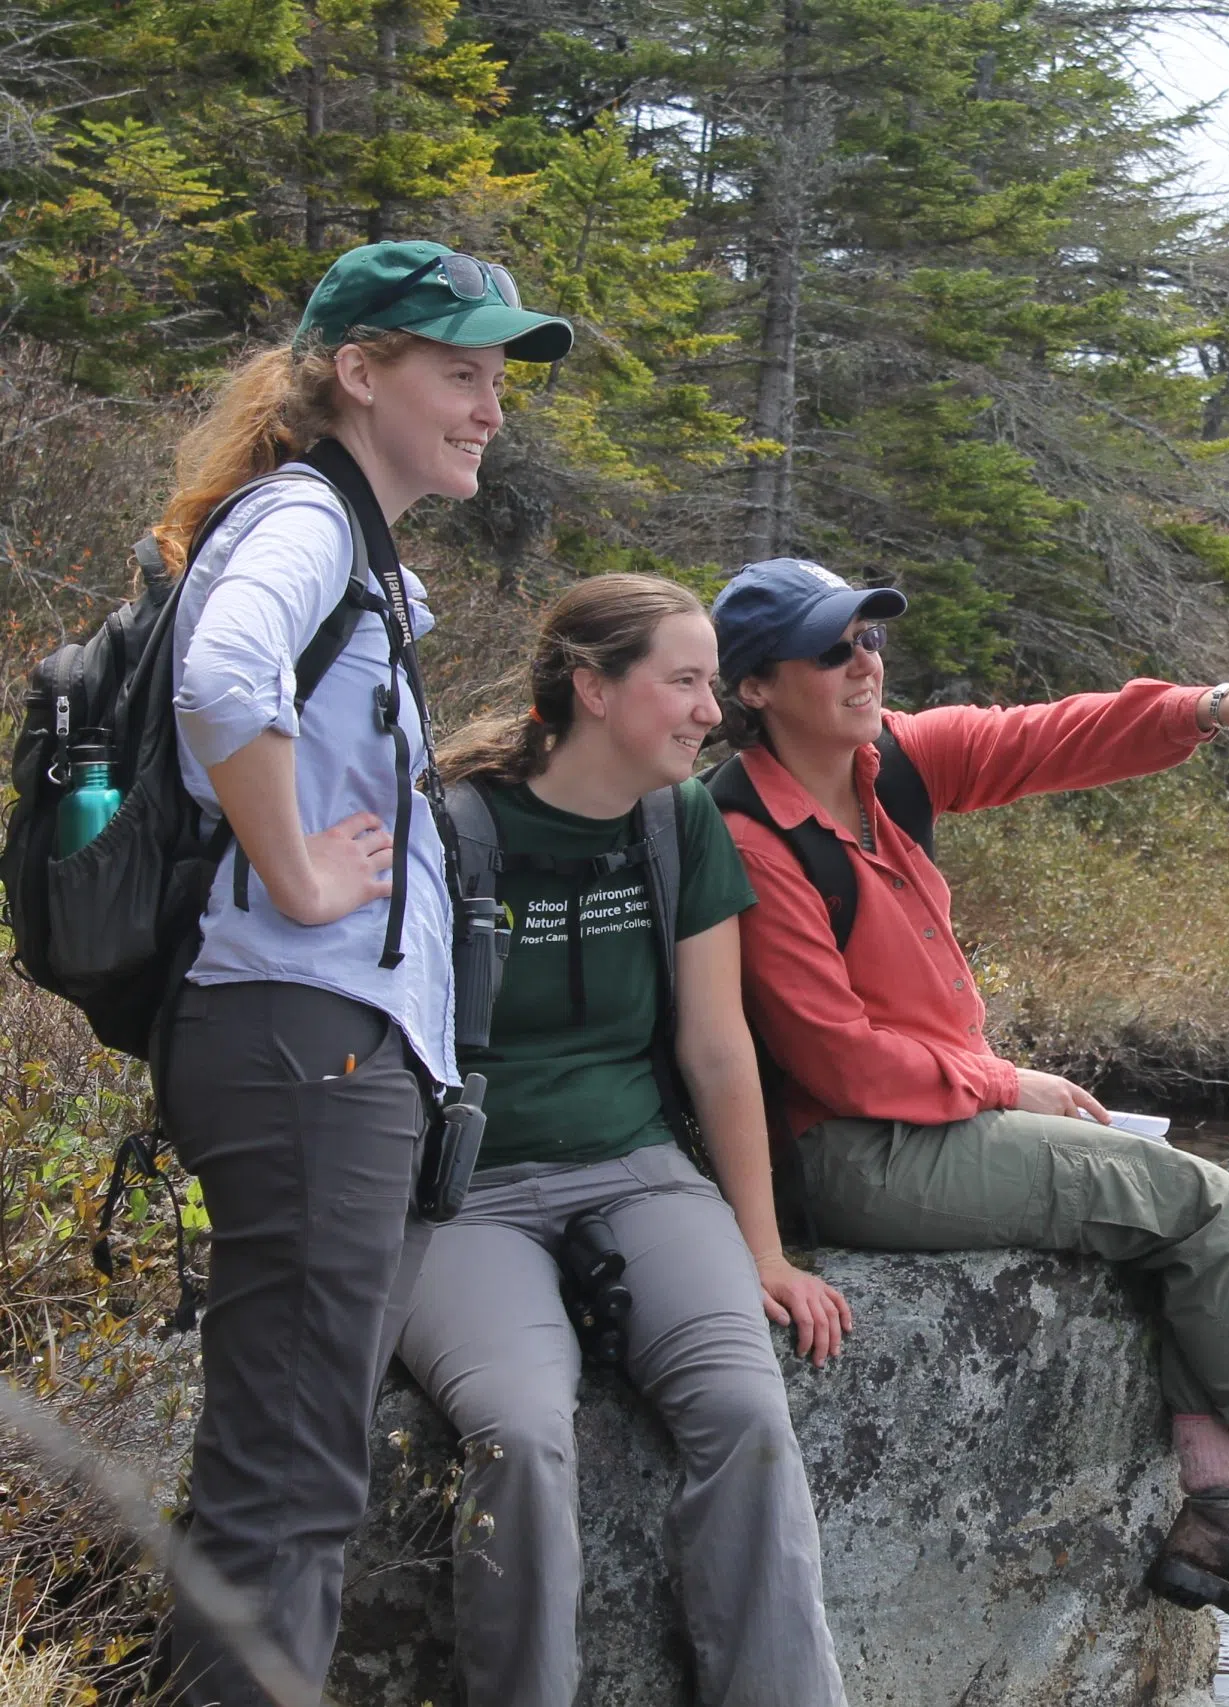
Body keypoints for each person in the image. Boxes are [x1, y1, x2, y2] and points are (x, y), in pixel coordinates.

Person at [708, 556, 1229, 1648]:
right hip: (858, 1154)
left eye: (870, 640)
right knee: (1205, 1207)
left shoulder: (892, 763)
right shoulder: (745, 835)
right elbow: (839, 1065)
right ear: (755, 689)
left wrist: (1211, 708)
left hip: (940, 1122)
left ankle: (1217, 1516)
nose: (864, 663)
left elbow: (1047, 734)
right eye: (831, 650)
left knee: (1156, 1227)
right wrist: (1009, 1081)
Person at [155, 240, 573, 1704]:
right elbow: (220, 677)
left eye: (497, 380)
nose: (491, 409)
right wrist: (298, 866)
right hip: (302, 1039)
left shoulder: (348, 541)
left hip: (324, 1049)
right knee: (290, 1480)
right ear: (360, 370)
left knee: (289, 1466)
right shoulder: (303, 523)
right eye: (461, 373)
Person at [398, 575, 853, 1707]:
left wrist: (762, 1251)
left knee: (746, 1412)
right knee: (519, 1431)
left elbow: (715, 1051)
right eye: (685, 683)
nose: (713, 712)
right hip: (468, 1193)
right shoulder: (450, 825)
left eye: (713, 684)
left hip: (640, 1170)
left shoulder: (677, 817)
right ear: (592, 689)